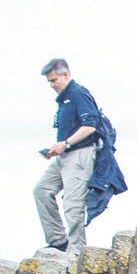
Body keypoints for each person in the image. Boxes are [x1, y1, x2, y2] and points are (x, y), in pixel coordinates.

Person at [34, 59, 103, 253]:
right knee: (41, 190)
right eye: (49, 81)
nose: (52, 85)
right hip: (65, 155)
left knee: (73, 205)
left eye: (54, 80)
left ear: (66, 75)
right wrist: (56, 149)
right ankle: (58, 240)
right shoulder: (64, 99)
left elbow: (90, 125)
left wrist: (66, 144)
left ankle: (76, 251)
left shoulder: (78, 93)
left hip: (81, 155)